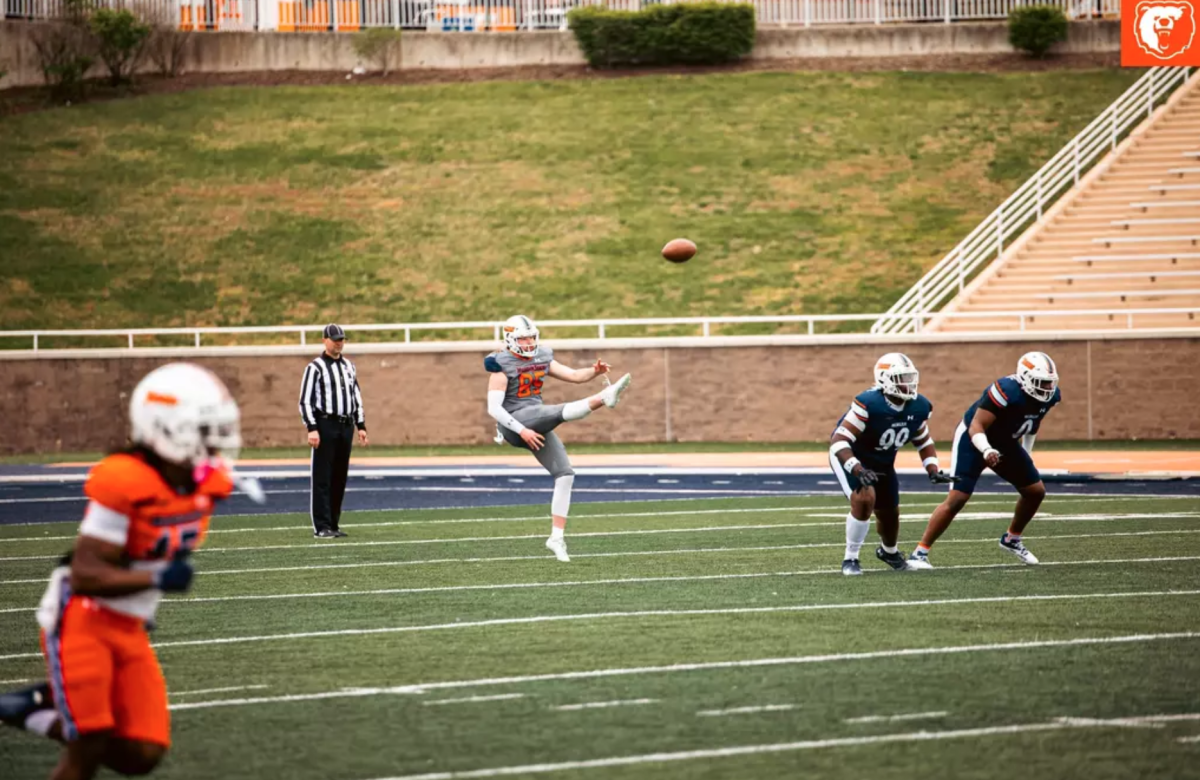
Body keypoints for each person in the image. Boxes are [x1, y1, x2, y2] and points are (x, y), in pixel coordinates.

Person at [0, 363, 241, 780]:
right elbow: (85, 574)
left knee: (143, 753)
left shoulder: (198, 483)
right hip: (83, 620)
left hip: (128, 624)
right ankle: (47, 711)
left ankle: (35, 710)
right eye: (201, 430)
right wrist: (155, 579)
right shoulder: (125, 480)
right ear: (164, 429)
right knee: (87, 748)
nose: (211, 441)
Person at [486, 314, 632, 562]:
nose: (529, 343)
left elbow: (574, 376)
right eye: (523, 339)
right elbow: (494, 409)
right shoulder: (500, 364)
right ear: (510, 339)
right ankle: (602, 398)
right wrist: (521, 430)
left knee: (565, 475)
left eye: (531, 338)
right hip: (514, 422)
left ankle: (556, 537)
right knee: (554, 412)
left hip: (537, 421)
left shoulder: (541, 356)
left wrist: (594, 371)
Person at [908, 351, 1062, 570]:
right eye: (1041, 383)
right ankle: (919, 553)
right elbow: (976, 426)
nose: (1047, 389)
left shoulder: (1051, 396)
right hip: (974, 440)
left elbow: (1031, 426)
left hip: (1006, 442)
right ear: (1024, 378)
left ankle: (1011, 539)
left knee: (1035, 491)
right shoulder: (1005, 391)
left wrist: (1027, 454)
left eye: (1049, 383)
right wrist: (986, 449)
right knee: (958, 498)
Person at [828, 353, 955, 576]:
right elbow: (839, 441)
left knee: (890, 512)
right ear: (885, 380)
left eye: (909, 377)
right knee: (865, 498)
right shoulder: (869, 404)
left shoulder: (919, 406)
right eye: (901, 378)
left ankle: (889, 552)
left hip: (883, 461)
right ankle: (851, 558)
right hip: (852, 457)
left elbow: (923, 439)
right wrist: (857, 469)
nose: (908, 384)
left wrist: (933, 469)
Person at [299, 323, 369, 539]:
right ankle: (321, 526)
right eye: (335, 339)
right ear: (325, 340)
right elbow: (305, 401)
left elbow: (355, 395)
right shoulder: (315, 367)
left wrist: (361, 425)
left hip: (345, 424)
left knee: (339, 476)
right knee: (323, 477)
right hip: (325, 424)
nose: (339, 343)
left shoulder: (349, 366)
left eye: (342, 339)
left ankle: (333, 524)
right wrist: (312, 428)